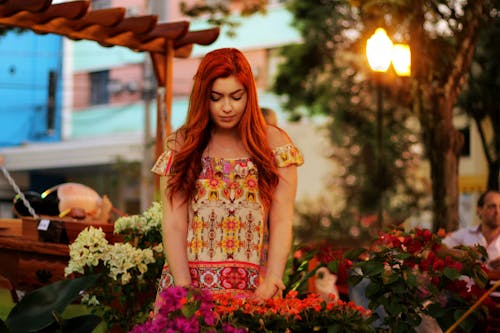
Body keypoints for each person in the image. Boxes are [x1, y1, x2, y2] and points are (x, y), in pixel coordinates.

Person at [151, 48, 303, 301]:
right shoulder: (183, 145)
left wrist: (274, 278)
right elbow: (174, 223)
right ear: (202, 97)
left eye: (236, 96)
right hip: (186, 288)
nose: (227, 107)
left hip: (253, 291)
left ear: (249, 95)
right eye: (216, 97)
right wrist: (184, 287)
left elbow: (282, 219)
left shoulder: (275, 145)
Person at [442, 190, 500, 278]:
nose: (497, 211)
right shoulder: (465, 234)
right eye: (492, 206)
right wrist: (461, 254)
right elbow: (439, 248)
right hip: (467, 290)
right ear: (479, 210)